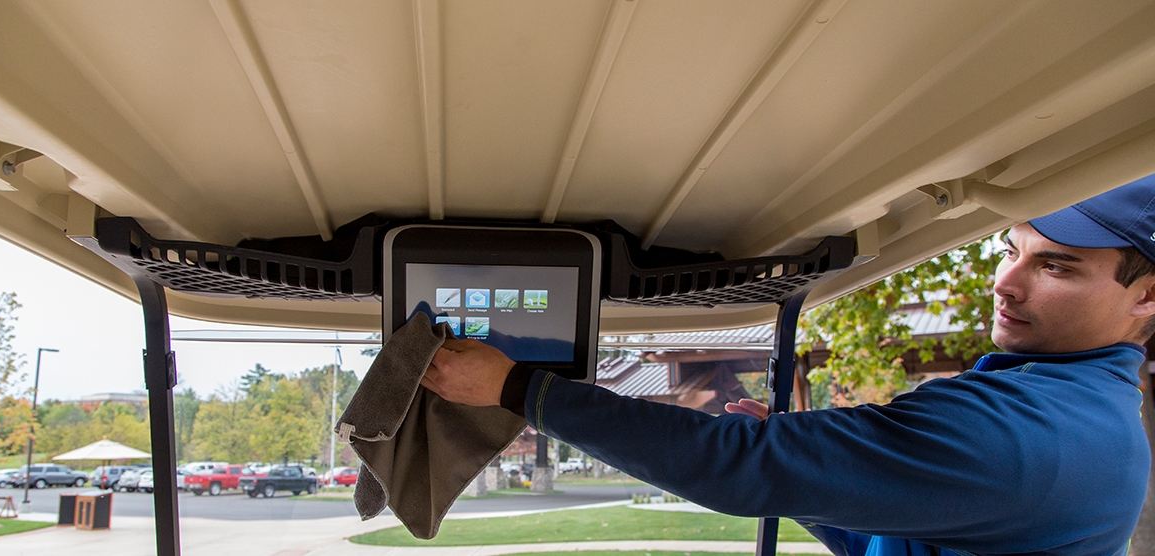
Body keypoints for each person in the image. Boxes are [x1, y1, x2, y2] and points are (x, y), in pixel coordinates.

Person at [422, 174, 1155, 556]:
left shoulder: (1035, 433)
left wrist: (517, 387)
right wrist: (814, 478)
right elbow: (892, 536)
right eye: (1010, 249)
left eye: (1056, 266)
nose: (1006, 282)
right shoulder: (1068, 405)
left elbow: (739, 465)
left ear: (1146, 297)